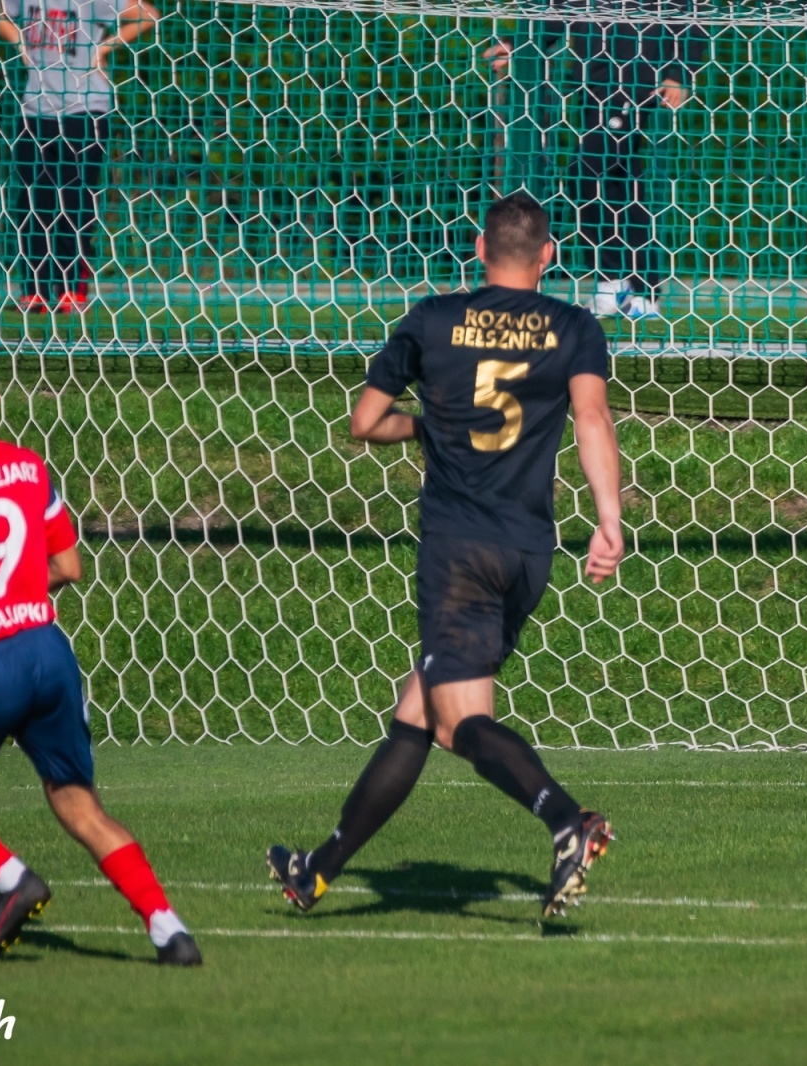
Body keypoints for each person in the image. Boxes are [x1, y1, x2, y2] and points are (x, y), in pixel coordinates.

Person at [266, 192, 625, 919]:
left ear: (477, 248)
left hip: (457, 547)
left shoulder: (432, 319)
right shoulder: (574, 326)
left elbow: (364, 420)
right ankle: (317, 869)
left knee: (460, 721)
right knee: (419, 711)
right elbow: (591, 415)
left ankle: (568, 821)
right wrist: (608, 519)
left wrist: (424, 429)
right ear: (547, 254)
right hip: (527, 551)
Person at [0, 349, 200, 965]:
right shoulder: (29, 468)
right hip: (49, 654)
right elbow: (70, 567)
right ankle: (169, 928)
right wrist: (18, 597)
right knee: (78, 802)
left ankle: (10, 877)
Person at [485, 15, 707, 319]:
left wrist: (678, 73)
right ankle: (632, 289)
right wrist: (517, 45)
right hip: (594, 85)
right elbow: (559, 14)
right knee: (619, 181)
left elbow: (690, 20)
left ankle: (623, 286)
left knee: (589, 172)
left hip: (632, 81)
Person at [0, 0, 157, 313]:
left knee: (75, 204)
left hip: (85, 110)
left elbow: (147, 15)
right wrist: (20, 42)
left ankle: (71, 290)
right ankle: (34, 290)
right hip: (35, 110)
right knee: (32, 205)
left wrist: (103, 48)